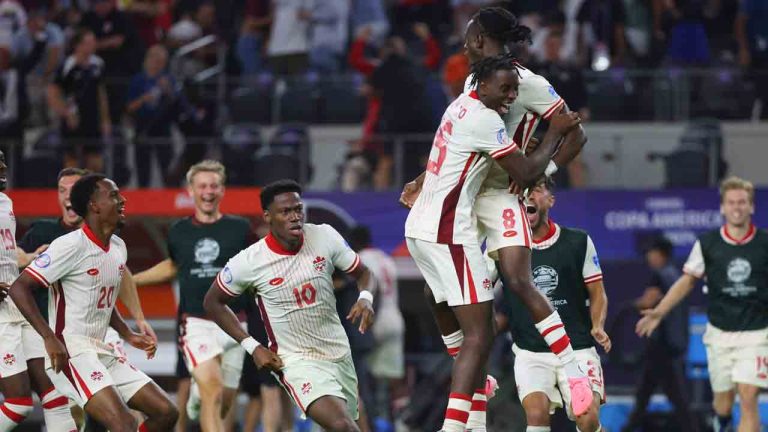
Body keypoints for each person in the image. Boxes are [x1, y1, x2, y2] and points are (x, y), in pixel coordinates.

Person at [400, 7, 591, 429]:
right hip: (467, 192)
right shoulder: (476, 78)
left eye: (469, 36)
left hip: (505, 190)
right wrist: (423, 180)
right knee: (448, 299)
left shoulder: (532, 84)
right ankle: (474, 399)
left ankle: (573, 371)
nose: (464, 42)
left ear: (483, 38)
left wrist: (545, 177)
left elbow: (575, 133)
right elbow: (456, 147)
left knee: (517, 279)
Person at [203, 179, 376, 432]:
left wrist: (365, 298)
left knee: (349, 424)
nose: (295, 217)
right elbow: (212, 302)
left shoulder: (324, 235)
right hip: (295, 360)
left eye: (298, 209)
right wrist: (253, 347)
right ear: (268, 217)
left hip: (338, 352)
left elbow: (364, 273)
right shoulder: (250, 261)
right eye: (286, 212)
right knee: (343, 426)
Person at [9, 173, 178, 431]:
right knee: (123, 424)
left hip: (102, 349)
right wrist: (49, 337)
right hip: (71, 353)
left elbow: (103, 299)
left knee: (166, 412)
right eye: (113, 195)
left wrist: (128, 333)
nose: (122, 200)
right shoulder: (69, 246)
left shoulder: (118, 247)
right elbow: (20, 287)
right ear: (94, 205)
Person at [637, 176, 768, 432]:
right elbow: (687, 282)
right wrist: (659, 312)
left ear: (751, 206)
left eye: (742, 202)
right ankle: (722, 422)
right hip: (719, 334)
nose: (737, 207)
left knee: (748, 396)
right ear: (722, 207)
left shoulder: (765, 243)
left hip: (757, 333)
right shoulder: (707, 244)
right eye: (732, 202)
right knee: (723, 402)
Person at [133, 160, 252, 432]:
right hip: (196, 322)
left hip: (235, 323)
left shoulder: (240, 228)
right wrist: (133, 280)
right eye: (202, 186)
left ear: (222, 190)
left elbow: (254, 269)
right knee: (214, 390)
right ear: (191, 190)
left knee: (223, 399)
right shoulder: (179, 230)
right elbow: (174, 265)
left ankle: (196, 399)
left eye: (214, 186)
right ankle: (202, 395)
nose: (208, 191)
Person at [496, 177, 608, 432]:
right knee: (536, 415)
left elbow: (598, 292)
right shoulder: (502, 249)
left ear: (551, 200)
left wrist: (597, 325)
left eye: (536, 190)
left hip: (577, 347)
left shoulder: (578, 242)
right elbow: (483, 293)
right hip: (531, 352)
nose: (528, 196)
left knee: (588, 419)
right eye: (522, 192)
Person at [0, 151, 77, 432]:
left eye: (4, 161)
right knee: (18, 403)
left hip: (17, 307)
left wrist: (30, 257)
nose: (4, 167)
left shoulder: (5, 202)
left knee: (57, 394)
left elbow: (7, 254)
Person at [622, 236, 697, 432]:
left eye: (651, 253)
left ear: (660, 254)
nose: (648, 257)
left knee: (673, 396)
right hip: (672, 343)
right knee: (646, 394)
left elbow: (648, 301)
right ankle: (629, 427)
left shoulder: (660, 276)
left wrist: (629, 306)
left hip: (661, 346)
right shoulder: (676, 275)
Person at [348, 225, 406, 422]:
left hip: (376, 320)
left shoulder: (361, 259)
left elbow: (374, 291)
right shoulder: (386, 258)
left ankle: (375, 420)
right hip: (396, 319)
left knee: (367, 377)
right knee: (393, 378)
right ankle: (399, 421)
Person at [47, 28, 111, 173]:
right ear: (78, 45)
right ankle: (70, 193)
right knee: (72, 163)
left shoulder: (98, 64)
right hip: (73, 119)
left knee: (95, 163)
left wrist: (105, 119)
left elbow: (101, 93)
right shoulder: (67, 65)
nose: (92, 45)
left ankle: (90, 193)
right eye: (88, 42)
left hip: (92, 119)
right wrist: (65, 112)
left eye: (93, 42)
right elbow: (52, 93)